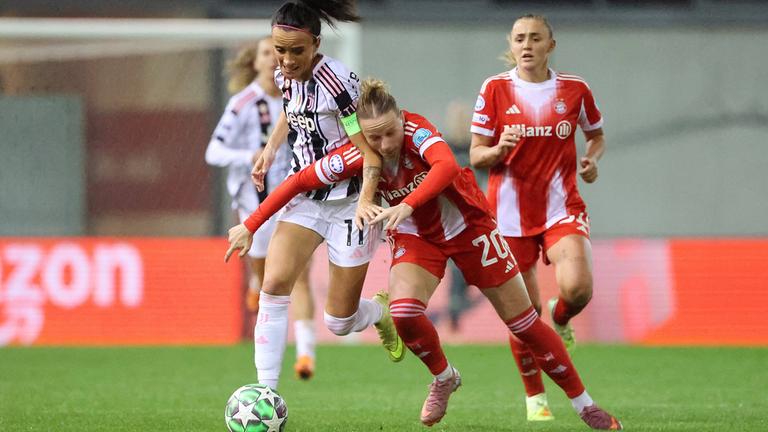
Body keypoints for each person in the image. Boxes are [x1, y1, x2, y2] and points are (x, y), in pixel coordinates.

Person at [228, 78, 622, 430]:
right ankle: (444, 377)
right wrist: (251, 224)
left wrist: (407, 204)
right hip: (419, 238)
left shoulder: (418, 130)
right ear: (362, 136)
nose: (384, 144)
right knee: (403, 314)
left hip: (469, 227)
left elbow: (447, 166)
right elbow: (299, 180)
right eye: (374, 138)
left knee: (524, 323)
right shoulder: (357, 156)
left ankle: (585, 406)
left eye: (390, 133)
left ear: (402, 117)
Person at [224, 0, 404, 391]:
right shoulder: (285, 75)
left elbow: (369, 153)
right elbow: (292, 111)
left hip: (349, 201)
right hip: (306, 199)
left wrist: (365, 202)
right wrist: (272, 148)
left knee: (339, 321)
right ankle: (265, 391)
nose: (286, 61)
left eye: (296, 51)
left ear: (316, 44)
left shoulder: (339, 85)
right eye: (279, 50)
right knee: (273, 286)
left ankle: (378, 313)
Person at [469, 14, 607, 422]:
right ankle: (536, 398)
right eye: (519, 39)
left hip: (561, 207)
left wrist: (591, 161)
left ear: (551, 44)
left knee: (578, 288)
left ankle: (562, 317)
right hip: (509, 215)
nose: (526, 45)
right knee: (525, 315)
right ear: (510, 46)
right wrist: (497, 150)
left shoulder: (575, 89)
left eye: (535, 38)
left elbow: (596, 135)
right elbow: (476, 153)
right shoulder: (494, 89)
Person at [205, 38, 318, 380]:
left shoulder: (299, 97)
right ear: (255, 63)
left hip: (294, 198)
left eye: (279, 53)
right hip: (254, 202)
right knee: (265, 272)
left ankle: (306, 354)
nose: (274, 59)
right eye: (267, 53)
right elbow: (213, 152)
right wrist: (249, 155)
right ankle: (255, 281)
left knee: (299, 276)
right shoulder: (242, 104)